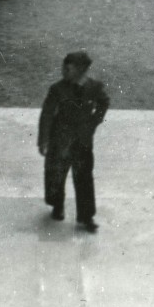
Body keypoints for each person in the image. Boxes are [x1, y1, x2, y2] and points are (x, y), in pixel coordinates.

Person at [38, 51, 110, 233]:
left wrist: (94, 122)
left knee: (84, 177)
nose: (63, 72)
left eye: (68, 69)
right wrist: (43, 140)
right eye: (64, 68)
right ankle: (57, 205)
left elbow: (104, 102)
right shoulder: (57, 89)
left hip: (82, 141)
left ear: (81, 70)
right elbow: (47, 114)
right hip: (60, 140)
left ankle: (86, 216)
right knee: (56, 175)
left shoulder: (94, 87)